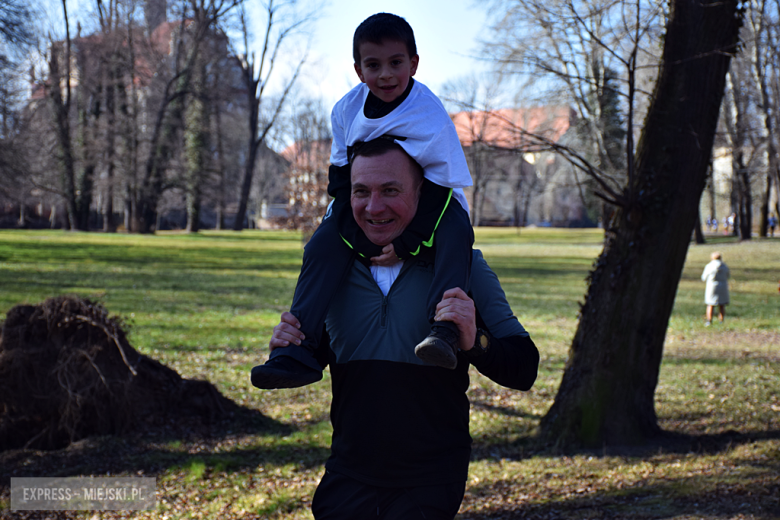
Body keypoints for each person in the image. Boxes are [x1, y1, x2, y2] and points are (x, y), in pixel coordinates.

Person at [268, 139, 539, 519]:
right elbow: (319, 354)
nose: (373, 207)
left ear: (421, 192)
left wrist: (474, 340)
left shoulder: (464, 268)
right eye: (361, 191)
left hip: (428, 482)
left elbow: (525, 369)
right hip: (347, 476)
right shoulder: (334, 270)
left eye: (391, 190)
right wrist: (291, 342)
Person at [252, 13, 474, 389]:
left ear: (413, 64)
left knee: (457, 233)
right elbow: (340, 177)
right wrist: (356, 236)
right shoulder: (346, 110)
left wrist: (405, 243)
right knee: (322, 245)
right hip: (366, 200)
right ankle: (298, 347)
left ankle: (445, 330)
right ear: (358, 70)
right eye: (373, 65)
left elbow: (439, 186)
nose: (385, 74)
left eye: (396, 63)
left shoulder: (429, 114)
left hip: (432, 201)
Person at [701, 251, 730, 326]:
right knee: (722, 304)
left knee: (710, 304)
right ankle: (721, 320)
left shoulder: (709, 266)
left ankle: (709, 321)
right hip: (723, 286)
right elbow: (728, 276)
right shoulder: (724, 266)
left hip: (712, 286)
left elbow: (703, 277)